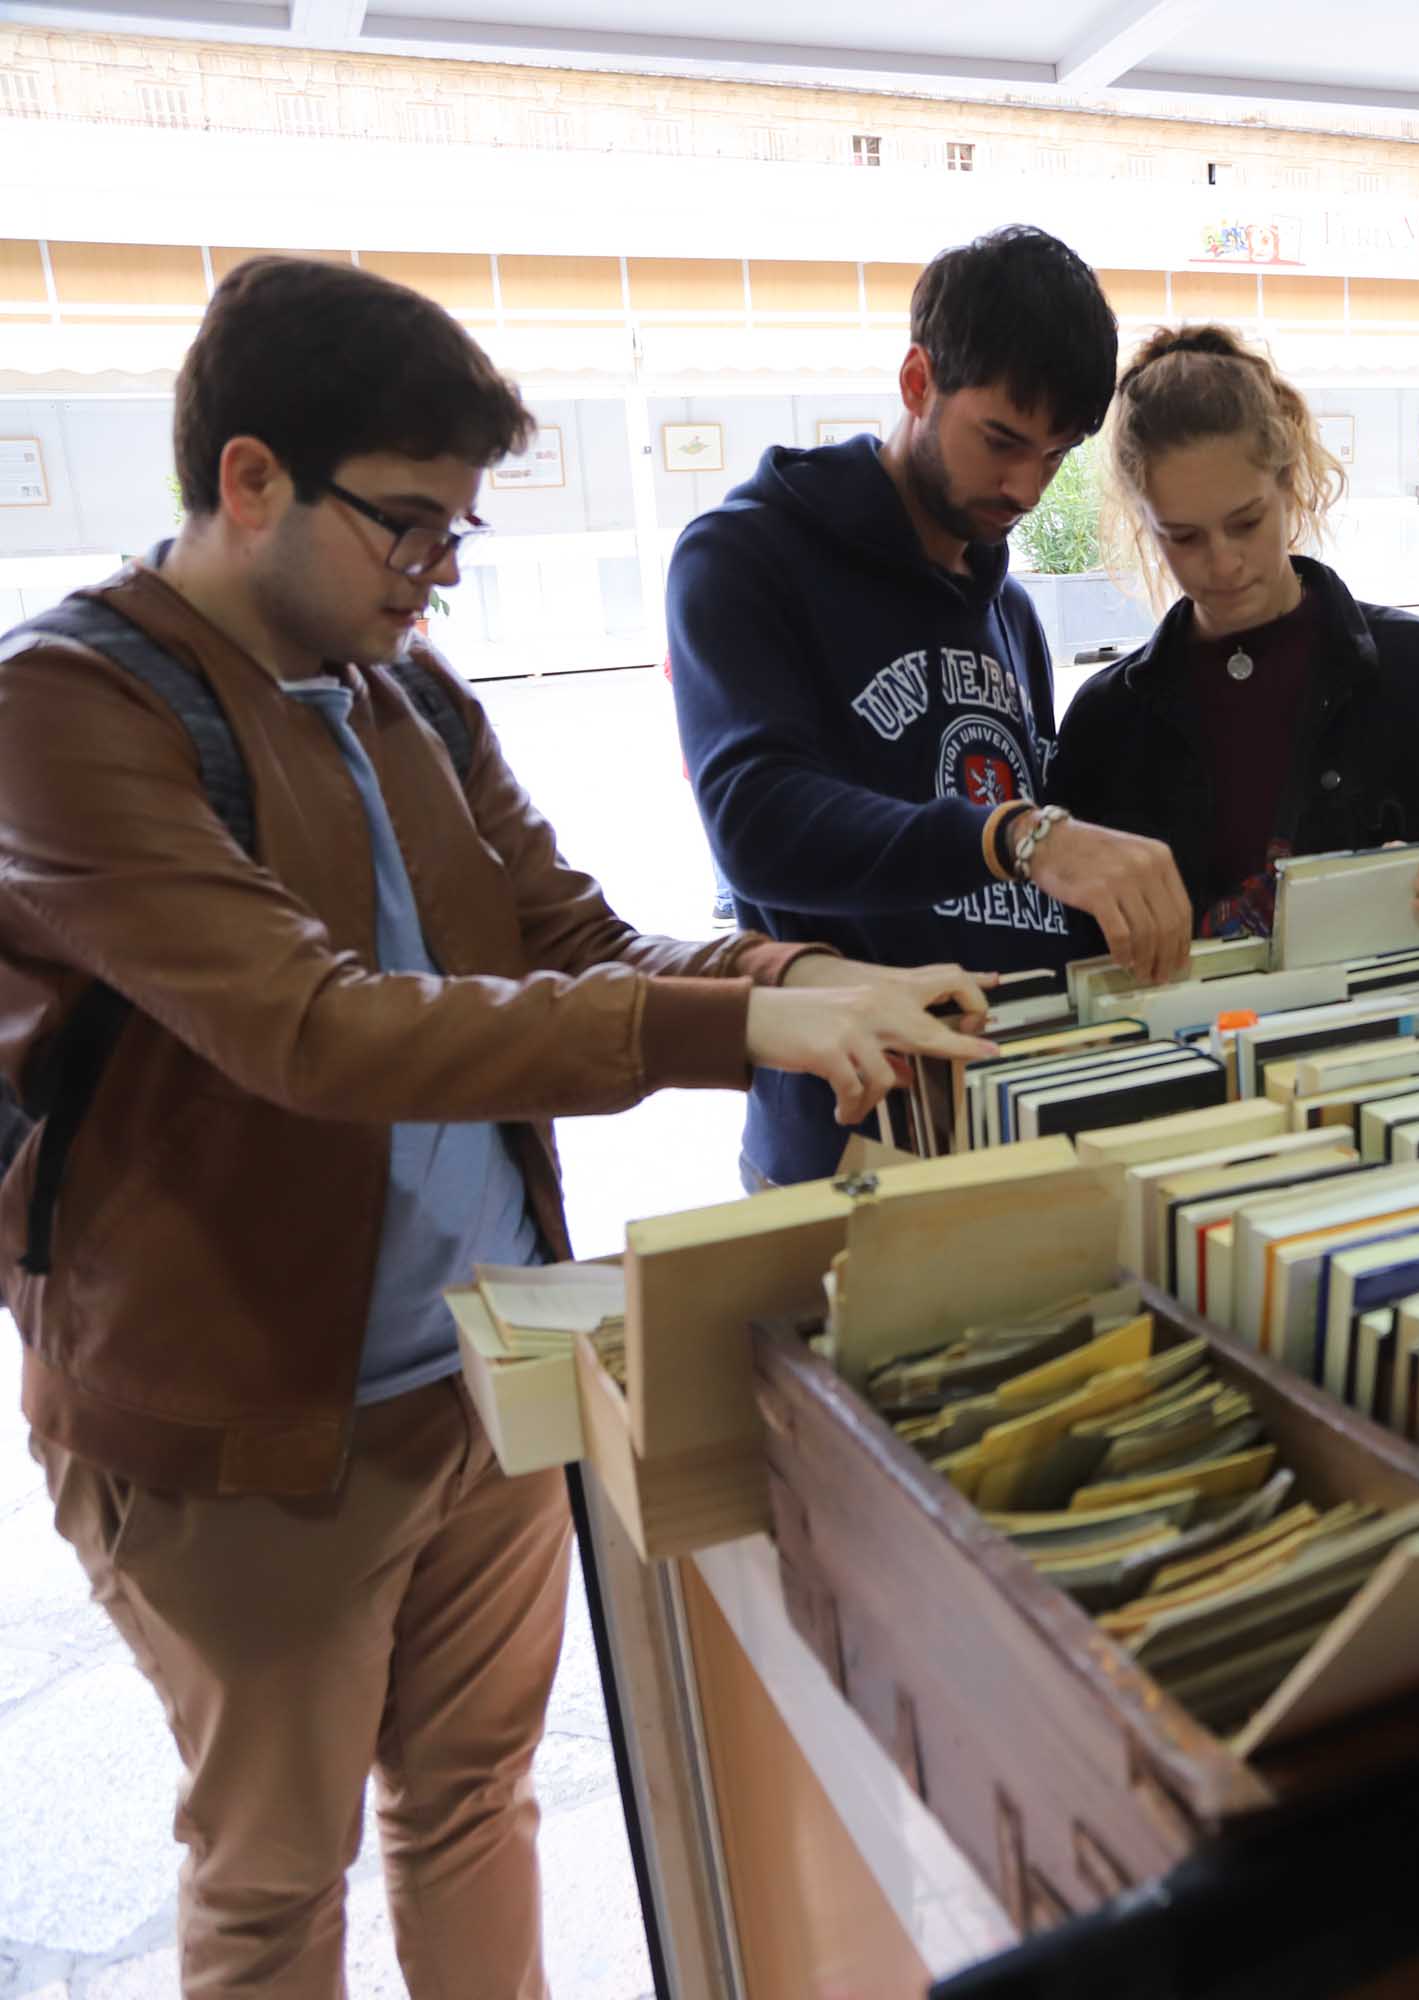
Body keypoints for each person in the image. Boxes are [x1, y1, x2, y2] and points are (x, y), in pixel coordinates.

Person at [0, 255, 995, 2000]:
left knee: (475, 1806)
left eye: (456, 535)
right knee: (273, 1884)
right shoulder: (62, 712)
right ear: (250, 480)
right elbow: (308, 1029)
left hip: (484, 1373)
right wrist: (750, 1018)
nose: (435, 576)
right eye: (405, 528)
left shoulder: (408, 695)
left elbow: (583, 942)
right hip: (246, 1427)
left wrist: (811, 969)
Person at [667, 224, 1193, 1188]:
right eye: (1000, 440)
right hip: (844, 1137)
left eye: (1056, 455)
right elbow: (756, 818)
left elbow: (1026, 891)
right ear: (918, 382)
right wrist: (1019, 834)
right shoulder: (743, 560)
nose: (1025, 488)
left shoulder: (1012, 612)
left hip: (1011, 1110)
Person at [1053, 326, 1419, 940]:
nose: (1223, 563)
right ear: (1144, 526)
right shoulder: (1107, 722)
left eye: (1246, 522)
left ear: (1291, 485)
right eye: (1184, 537)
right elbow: (1072, 953)